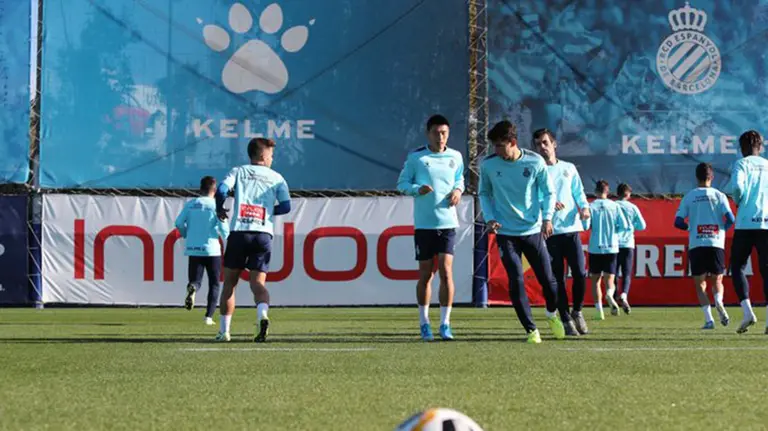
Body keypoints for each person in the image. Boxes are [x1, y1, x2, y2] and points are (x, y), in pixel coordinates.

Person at [479, 120, 566, 344]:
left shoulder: (535, 162)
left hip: (532, 230)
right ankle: (531, 330)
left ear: (513, 142)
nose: (496, 151)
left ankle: (551, 314)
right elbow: (485, 194)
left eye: (500, 146)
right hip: (506, 233)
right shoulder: (488, 165)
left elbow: (549, 192)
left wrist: (547, 218)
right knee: (516, 280)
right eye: (494, 146)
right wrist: (490, 218)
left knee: (549, 281)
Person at [214, 138, 291, 342]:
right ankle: (262, 315)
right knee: (258, 283)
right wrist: (267, 212)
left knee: (230, 283)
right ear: (263, 155)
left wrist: (220, 208)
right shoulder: (276, 177)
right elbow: (286, 206)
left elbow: (221, 190)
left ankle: (224, 332)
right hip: (263, 234)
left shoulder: (238, 171)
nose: (272, 159)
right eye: (271, 155)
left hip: (240, 231)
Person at [397, 114, 465, 341]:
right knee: (426, 274)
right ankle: (424, 322)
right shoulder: (417, 157)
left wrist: (457, 191)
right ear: (428, 134)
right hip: (425, 225)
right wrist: (418, 189)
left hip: (447, 223)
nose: (440, 137)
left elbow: (459, 180)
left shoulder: (455, 156)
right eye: (436, 132)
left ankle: (445, 324)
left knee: (446, 272)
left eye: (444, 132)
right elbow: (402, 184)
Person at [533, 128, 591, 336]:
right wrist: (546, 202)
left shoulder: (569, 168)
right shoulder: (535, 171)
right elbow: (529, 199)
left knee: (580, 273)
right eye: (538, 144)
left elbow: (578, 192)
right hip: (549, 231)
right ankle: (565, 317)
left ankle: (577, 311)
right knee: (557, 278)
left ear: (554, 144)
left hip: (571, 228)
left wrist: (584, 208)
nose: (542, 147)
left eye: (545, 142)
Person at [674, 163, 733, 329]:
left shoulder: (690, 196)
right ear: (712, 177)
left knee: (700, 284)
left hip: (697, 243)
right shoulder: (720, 195)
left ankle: (709, 320)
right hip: (716, 242)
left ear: (696, 177)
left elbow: (678, 222)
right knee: (718, 280)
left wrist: (690, 228)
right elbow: (731, 219)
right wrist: (722, 230)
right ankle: (719, 302)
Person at [727, 130, 768, 334]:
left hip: (745, 223)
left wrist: (738, 201)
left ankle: (747, 312)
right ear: (760, 147)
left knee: (737, 266)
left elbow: (737, 187)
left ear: (742, 148)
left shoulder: (741, 164)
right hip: (766, 224)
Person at [175, 176, 230, 326]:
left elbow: (178, 223)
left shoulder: (191, 204)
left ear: (201, 188)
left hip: (193, 249)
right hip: (212, 250)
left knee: (195, 280)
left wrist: (186, 233)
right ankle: (208, 317)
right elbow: (225, 231)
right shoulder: (215, 206)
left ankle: (192, 288)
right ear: (214, 190)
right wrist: (226, 235)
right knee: (214, 284)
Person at [586, 180, 630, 320]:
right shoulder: (614, 206)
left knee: (595, 281)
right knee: (610, 279)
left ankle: (599, 312)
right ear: (608, 191)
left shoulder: (591, 206)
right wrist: (613, 230)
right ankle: (610, 295)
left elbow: (586, 225)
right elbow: (623, 225)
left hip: (595, 247)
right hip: (612, 246)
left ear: (596, 191)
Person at [614, 183, 647, 314]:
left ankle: (615, 298)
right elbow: (642, 225)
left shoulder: (613, 205)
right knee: (627, 273)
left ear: (617, 193)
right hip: (628, 243)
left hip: (614, 243)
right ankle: (624, 294)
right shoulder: (633, 207)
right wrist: (632, 225)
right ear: (628, 194)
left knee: (613, 274)